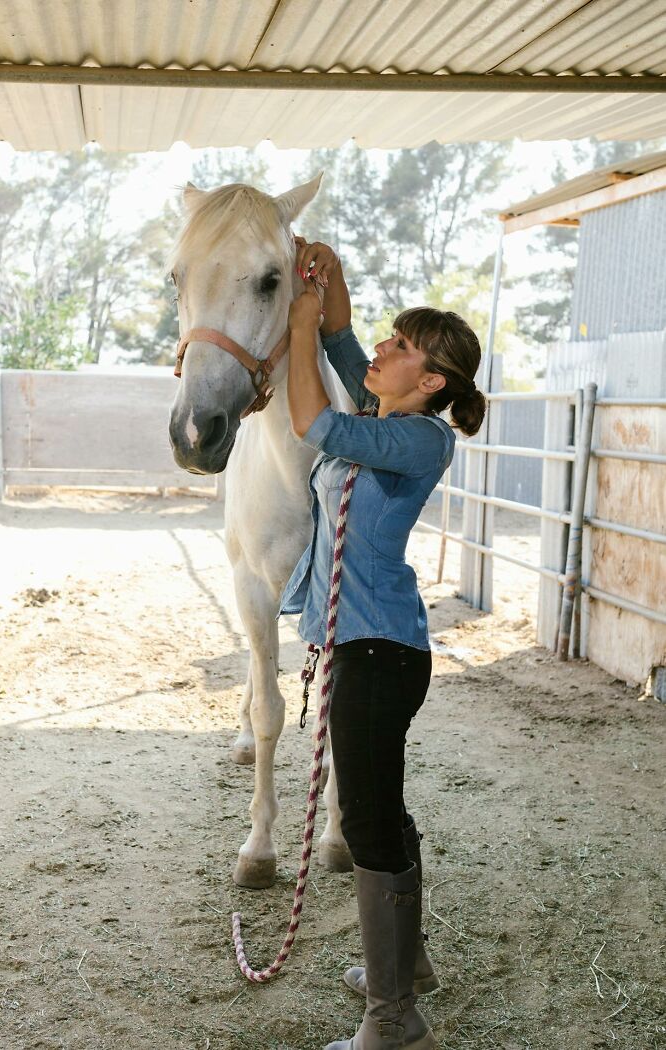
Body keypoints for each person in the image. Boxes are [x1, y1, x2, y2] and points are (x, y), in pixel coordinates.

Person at [278, 238, 486, 1050]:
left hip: (380, 652)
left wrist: (297, 325)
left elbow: (307, 414)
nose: (386, 350)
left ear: (431, 382)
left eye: (404, 347)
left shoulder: (419, 441)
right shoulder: (383, 416)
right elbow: (340, 338)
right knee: (383, 810)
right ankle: (410, 966)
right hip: (362, 646)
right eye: (392, 337)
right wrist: (324, 279)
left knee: (365, 820)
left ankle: (393, 1019)